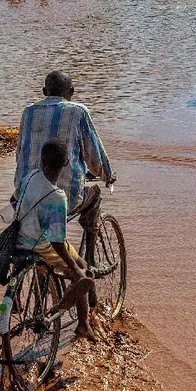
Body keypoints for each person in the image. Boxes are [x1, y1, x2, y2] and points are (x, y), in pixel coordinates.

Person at [14, 71, 116, 260]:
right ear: (72, 91)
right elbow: (94, 156)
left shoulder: (28, 112)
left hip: (24, 196)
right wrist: (107, 176)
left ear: (45, 91)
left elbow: (20, 153)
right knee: (94, 196)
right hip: (64, 197)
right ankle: (91, 261)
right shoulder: (78, 111)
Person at [13, 141, 96, 340]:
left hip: (18, 239)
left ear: (42, 161)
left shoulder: (30, 176)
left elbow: (15, 199)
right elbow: (57, 241)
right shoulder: (58, 197)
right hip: (40, 246)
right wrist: (74, 268)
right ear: (66, 163)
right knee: (82, 268)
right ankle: (83, 324)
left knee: (74, 264)